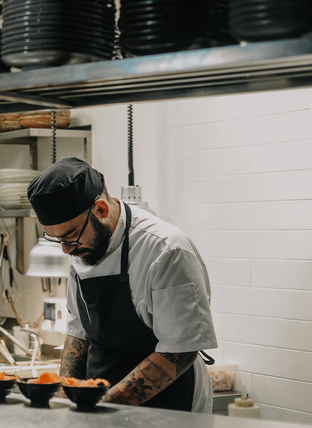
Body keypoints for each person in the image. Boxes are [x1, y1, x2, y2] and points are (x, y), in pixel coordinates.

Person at [27, 158, 217, 413]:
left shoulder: (166, 250)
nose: (65, 249)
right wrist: (64, 395)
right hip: (99, 405)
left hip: (169, 407)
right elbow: (78, 332)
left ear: (101, 210)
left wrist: (102, 405)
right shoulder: (82, 247)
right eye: (57, 238)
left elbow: (179, 353)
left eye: (70, 236)